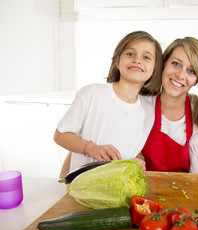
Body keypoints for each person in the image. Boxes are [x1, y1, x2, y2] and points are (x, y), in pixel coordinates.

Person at [54, 31, 163, 177]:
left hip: (117, 188)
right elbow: (60, 135)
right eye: (130, 54)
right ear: (117, 61)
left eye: (146, 57)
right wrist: (91, 148)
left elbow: (132, 146)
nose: (137, 60)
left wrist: (139, 158)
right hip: (82, 184)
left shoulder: (148, 110)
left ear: (155, 69)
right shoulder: (92, 93)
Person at [142, 37, 198, 172]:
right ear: (163, 64)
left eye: (191, 71)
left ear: (196, 80)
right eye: (176, 64)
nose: (180, 75)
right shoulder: (141, 105)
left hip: (187, 191)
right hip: (143, 190)